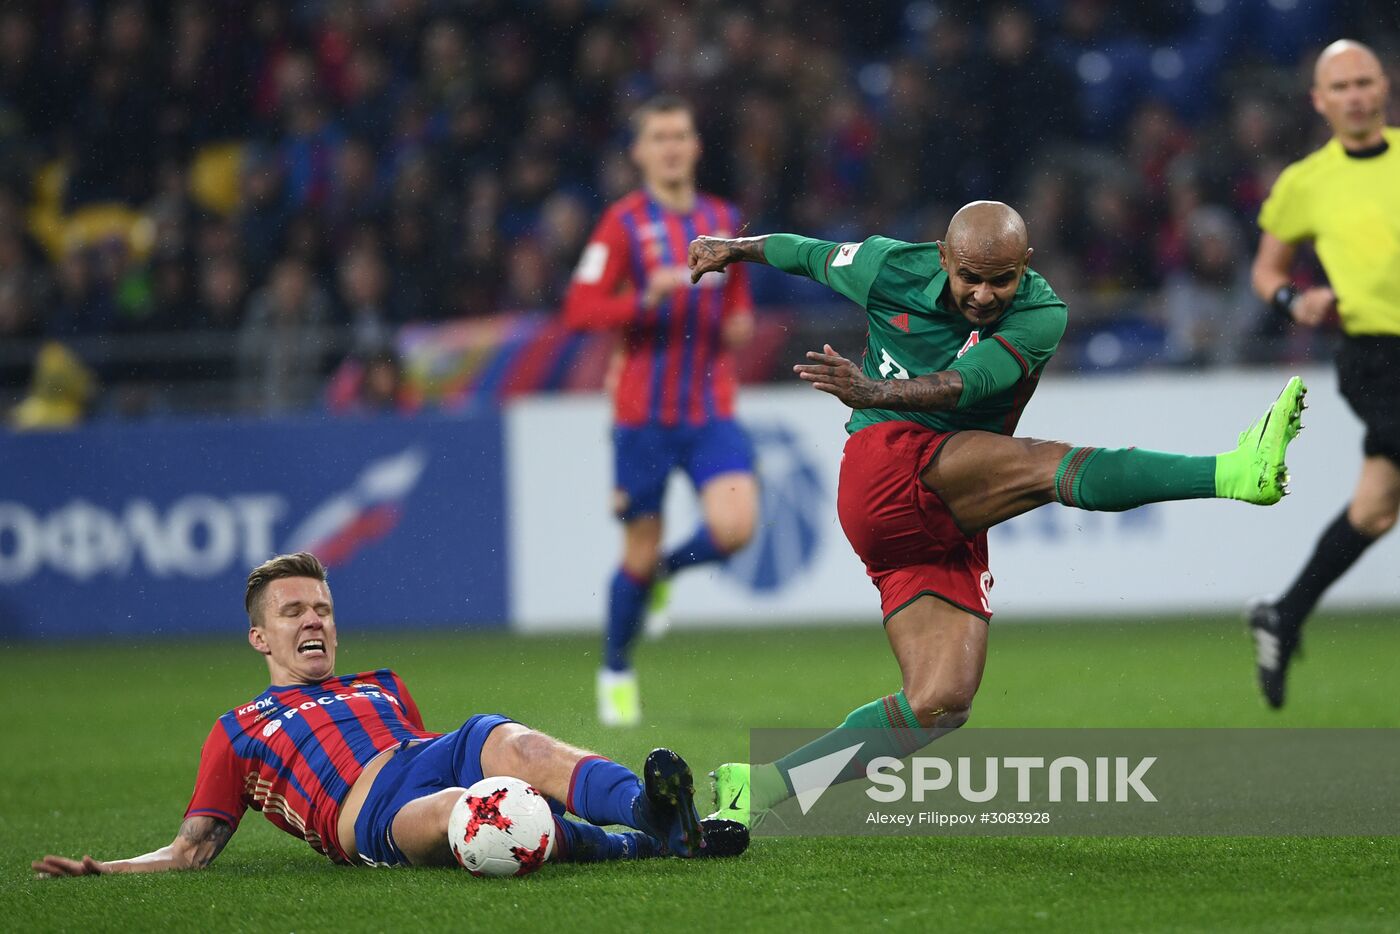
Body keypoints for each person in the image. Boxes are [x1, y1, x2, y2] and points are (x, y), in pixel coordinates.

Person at [684, 201, 1306, 825]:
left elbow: (967, 383)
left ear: (1024, 267)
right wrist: (734, 248)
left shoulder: (1042, 313)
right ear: (944, 257)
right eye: (970, 277)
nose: (984, 294)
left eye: (1001, 279)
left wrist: (873, 388)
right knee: (1043, 466)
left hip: (941, 507)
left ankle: (759, 787)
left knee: (940, 703)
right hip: (884, 466)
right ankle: (1231, 472)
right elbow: (806, 252)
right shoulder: (886, 267)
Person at [31, 553, 746, 876]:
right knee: (477, 812)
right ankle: (639, 847)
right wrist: (110, 870)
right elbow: (192, 850)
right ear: (261, 638)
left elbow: (423, 739)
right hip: (369, 814)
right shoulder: (238, 729)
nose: (314, 621)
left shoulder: (382, 685)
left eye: (323, 608)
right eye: (294, 612)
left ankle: (656, 818)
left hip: (434, 749)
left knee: (510, 741)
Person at [562, 96, 758, 727]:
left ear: (696, 146)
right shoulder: (621, 225)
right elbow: (579, 309)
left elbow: (738, 304)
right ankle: (616, 666)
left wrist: (738, 321)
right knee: (635, 553)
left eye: (681, 135)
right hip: (642, 416)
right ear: (640, 153)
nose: (671, 147)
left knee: (735, 528)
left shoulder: (724, 219)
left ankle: (669, 573)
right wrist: (642, 300)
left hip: (709, 409)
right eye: (659, 137)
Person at [1245, 39, 1400, 709]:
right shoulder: (1304, 182)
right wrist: (1294, 300)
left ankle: (1284, 612)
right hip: (1375, 356)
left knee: (1375, 507)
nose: (1357, 95)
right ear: (1320, 100)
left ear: (1385, 85)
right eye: (1341, 87)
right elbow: (1266, 272)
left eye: (1365, 81)